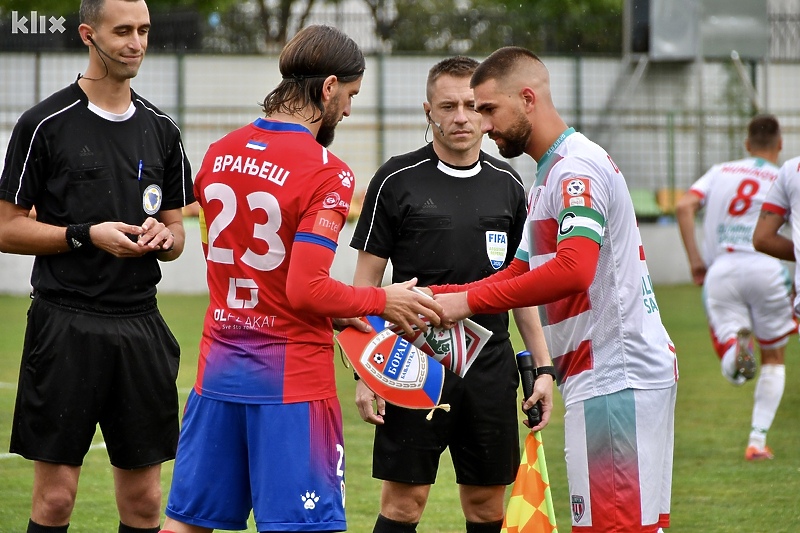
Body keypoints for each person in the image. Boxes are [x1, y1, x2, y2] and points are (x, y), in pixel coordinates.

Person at [160, 25, 441, 533]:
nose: (350, 111)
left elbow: (265, 277)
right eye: (351, 96)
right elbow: (305, 288)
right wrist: (384, 299)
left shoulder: (219, 154)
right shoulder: (326, 171)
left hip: (217, 372)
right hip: (291, 383)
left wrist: (347, 312)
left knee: (189, 523)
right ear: (328, 87)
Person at [431, 47, 679, 532]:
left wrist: (466, 302)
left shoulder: (575, 171)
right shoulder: (548, 176)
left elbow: (573, 270)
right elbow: (518, 272)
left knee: (616, 528)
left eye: (487, 109)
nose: (481, 124)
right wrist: (442, 300)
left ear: (527, 98)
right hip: (602, 377)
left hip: (617, 375)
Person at [0, 0, 195, 531]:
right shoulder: (45, 123)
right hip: (65, 324)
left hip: (140, 326)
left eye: (145, 31)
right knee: (55, 501)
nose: (137, 43)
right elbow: (6, 227)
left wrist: (165, 238)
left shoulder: (163, 129)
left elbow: (178, 232)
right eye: (124, 30)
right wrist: (85, 236)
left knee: (144, 502)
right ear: (89, 34)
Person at [349, 56, 551, 533]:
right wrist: (365, 373)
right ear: (428, 111)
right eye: (447, 106)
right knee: (404, 503)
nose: (461, 117)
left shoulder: (508, 183)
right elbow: (364, 285)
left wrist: (542, 368)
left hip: (491, 367)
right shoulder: (395, 180)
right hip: (411, 361)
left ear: (484, 111)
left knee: (485, 505)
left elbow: (520, 288)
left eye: (470, 106)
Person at [676, 114, 794, 461]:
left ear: (746, 144)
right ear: (780, 144)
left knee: (731, 354)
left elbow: (685, 205)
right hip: (767, 269)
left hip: (723, 270)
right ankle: (757, 441)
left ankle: (735, 351)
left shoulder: (721, 171)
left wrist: (696, 259)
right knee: (773, 356)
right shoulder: (784, 176)